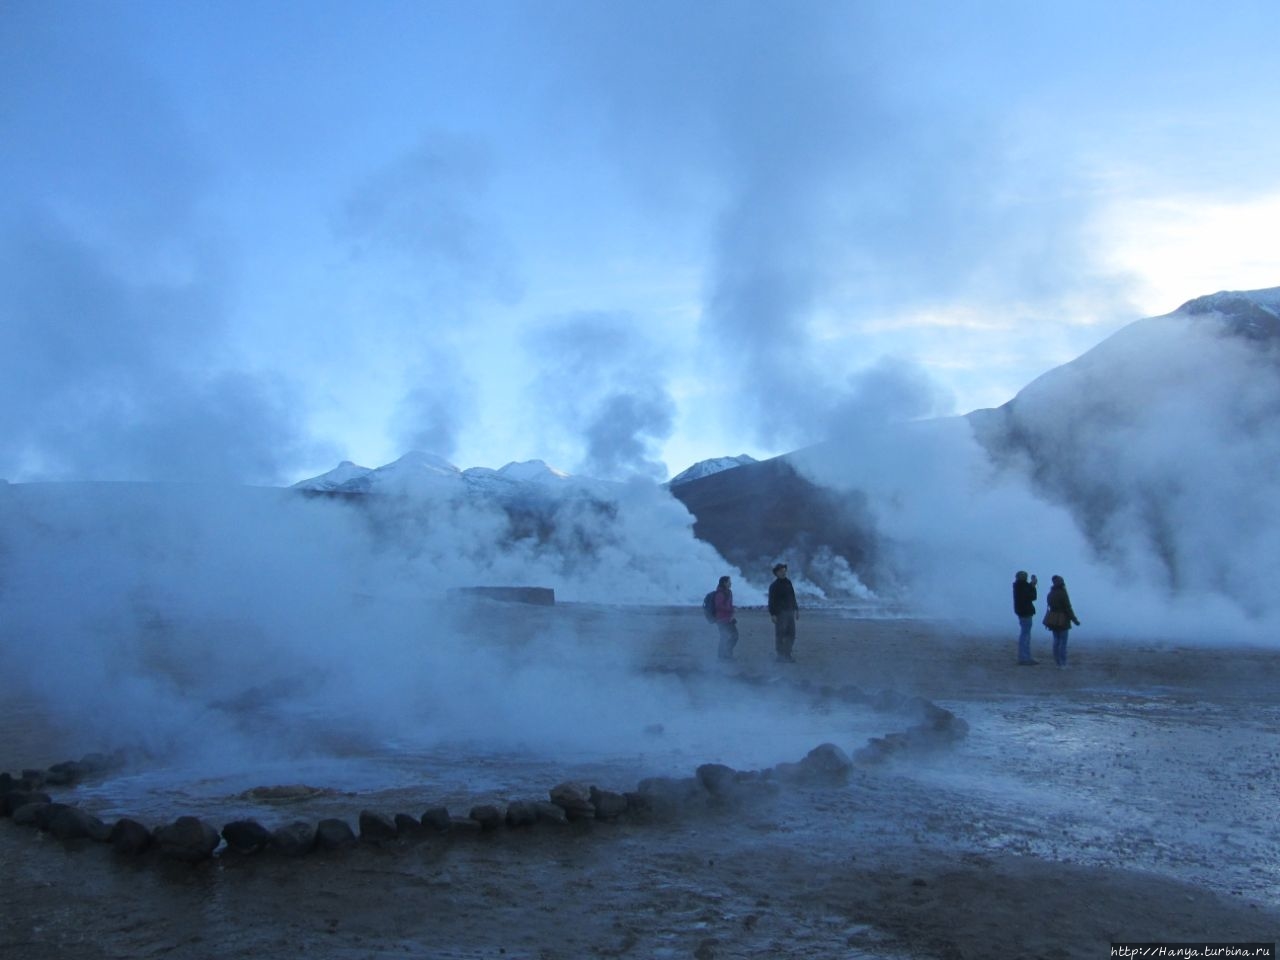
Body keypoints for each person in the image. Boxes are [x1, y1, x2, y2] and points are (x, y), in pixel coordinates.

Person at [1043, 574, 1081, 667]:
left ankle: (1057, 663)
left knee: (1056, 641)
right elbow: (1068, 608)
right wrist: (1075, 620)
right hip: (1062, 620)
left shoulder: (1050, 593)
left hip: (1052, 619)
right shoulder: (1063, 593)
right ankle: (1063, 663)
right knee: (1063, 642)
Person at [767, 562, 800, 663]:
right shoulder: (774, 586)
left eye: (784, 571)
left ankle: (787, 654)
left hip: (790, 612)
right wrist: (772, 614)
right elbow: (771, 601)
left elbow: (793, 597)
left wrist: (797, 609)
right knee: (780, 635)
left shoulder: (788, 582)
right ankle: (780, 656)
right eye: (781, 571)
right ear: (776, 573)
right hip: (780, 614)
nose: (783, 573)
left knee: (791, 634)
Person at [1012, 571, 1039, 665]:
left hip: (1022, 612)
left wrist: (1031, 585)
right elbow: (1032, 597)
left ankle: (1025, 656)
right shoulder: (1022, 586)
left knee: (1025, 634)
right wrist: (1033, 586)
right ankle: (1024, 657)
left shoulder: (1018, 585)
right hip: (1025, 612)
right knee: (1025, 635)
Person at [713, 575, 738, 660]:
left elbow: (729, 604)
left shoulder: (729, 592)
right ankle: (724, 655)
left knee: (731, 636)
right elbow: (718, 606)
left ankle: (725, 655)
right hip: (721, 619)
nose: (730, 583)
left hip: (729, 618)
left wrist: (732, 612)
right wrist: (730, 609)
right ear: (724, 583)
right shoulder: (720, 593)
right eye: (729, 581)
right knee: (728, 636)